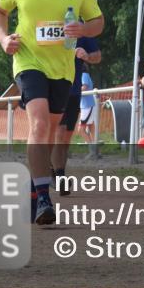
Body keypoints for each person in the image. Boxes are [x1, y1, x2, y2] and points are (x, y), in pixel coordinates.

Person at [0, 0, 103, 225]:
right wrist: (3, 39)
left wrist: (83, 29)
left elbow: (98, 21)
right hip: (28, 61)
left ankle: (33, 185)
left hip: (63, 69)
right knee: (39, 124)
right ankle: (43, 198)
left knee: (51, 132)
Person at [51, 36, 101, 195]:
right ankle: (59, 178)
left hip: (73, 92)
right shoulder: (50, 23)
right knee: (59, 134)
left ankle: (55, 171)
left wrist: (86, 56)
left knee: (66, 138)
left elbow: (97, 56)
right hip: (54, 88)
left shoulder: (83, 31)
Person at [77, 70, 99, 146]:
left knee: (80, 130)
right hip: (87, 105)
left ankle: (92, 150)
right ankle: (94, 149)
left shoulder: (83, 74)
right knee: (90, 126)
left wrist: (73, 91)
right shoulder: (84, 75)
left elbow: (84, 87)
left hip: (87, 106)